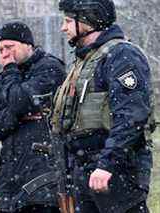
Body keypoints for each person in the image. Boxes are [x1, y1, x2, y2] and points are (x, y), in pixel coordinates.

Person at [50, 0, 154, 212]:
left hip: (116, 172)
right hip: (87, 170)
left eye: (69, 21)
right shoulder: (86, 60)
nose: (63, 27)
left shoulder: (121, 55)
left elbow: (131, 117)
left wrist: (107, 164)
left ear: (89, 20)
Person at [0, 21, 65, 213]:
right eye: (1, 49)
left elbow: (19, 101)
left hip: (43, 179)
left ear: (28, 45)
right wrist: (18, 114)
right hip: (10, 179)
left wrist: (11, 75)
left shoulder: (49, 68)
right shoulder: (3, 78)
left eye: (9, 47)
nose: (5, 54)